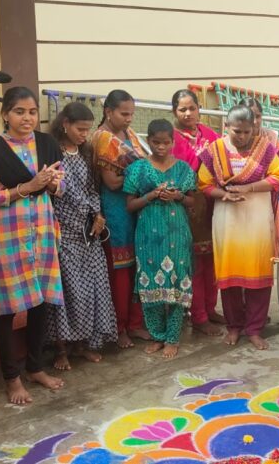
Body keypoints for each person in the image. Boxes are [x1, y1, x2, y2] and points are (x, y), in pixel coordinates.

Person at [0, 87, 65, 405]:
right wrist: (24, 188)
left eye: (32, 112)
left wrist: (53, 184)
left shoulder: (47, 144)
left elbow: (60, 186)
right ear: (5, 115)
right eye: (20, 112)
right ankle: (11, 379)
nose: (27, 118)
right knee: (7, 309)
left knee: (40, 303)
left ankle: (36, 367)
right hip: (5, 239)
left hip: (41, 235)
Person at [198, 105, 279, 350]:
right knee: (231, 274)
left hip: (257, 216)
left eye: (247, 132)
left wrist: (248, 188)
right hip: (227, 217)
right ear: (226, 127)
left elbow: (278, 178)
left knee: (259, 272)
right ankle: (234, 326)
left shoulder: (265, 149)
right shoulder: (214, 150)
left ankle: (255, 329)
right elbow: (203, 183)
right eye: (237, 131)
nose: (243, 137)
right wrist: (223, 195)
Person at [46, 102, 118, 367]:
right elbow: (62, 189)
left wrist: (98, 215)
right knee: (67, 289)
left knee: (92, 287)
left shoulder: (86, 152)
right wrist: (89, 209)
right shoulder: (53, 151)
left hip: (89, 231)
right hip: (63, 229)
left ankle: (83, 343)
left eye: (87, 130)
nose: (84, 135)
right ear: (65, 124)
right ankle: (61, 349)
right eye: (80, 129)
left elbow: (91, 187)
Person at [125, 119, 196, 359]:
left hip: (177, 234)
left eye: (166, 143)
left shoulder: (184, 169)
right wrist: (152, 195)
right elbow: (130, 205)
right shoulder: (138, 169)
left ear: (173, 142)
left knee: (178, 285)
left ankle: (173, 338)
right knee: (150, 285)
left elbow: (192, 201)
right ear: (149, 140)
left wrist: (177, 196)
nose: (161, 147)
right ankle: (157, 335)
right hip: (148, 236)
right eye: (156, 142)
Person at [92, 89, 151, 349]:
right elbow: (112, 181)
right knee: (119, 270)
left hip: (137, 206)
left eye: (131, 114)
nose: (129, 119)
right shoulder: (102, 139)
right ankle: (119, 327)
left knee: (138, 266)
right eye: (124, 114)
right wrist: (140, 177)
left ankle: (136, 323)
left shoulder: (130, 136)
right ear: (108, 112)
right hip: (116, 209)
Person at [170, 89, 225, 337]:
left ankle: (211, 308)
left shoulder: (211, 134)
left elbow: (223, 160)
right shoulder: (170, 138)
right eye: (182, 109)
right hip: (189, 205)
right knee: (195, 264)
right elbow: (180, 169)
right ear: (174, 112)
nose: (188, 113)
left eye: (192, 108)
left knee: (213, 260)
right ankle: (199, 315)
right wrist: (204, 159)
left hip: (213, 203)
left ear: (199, 108)